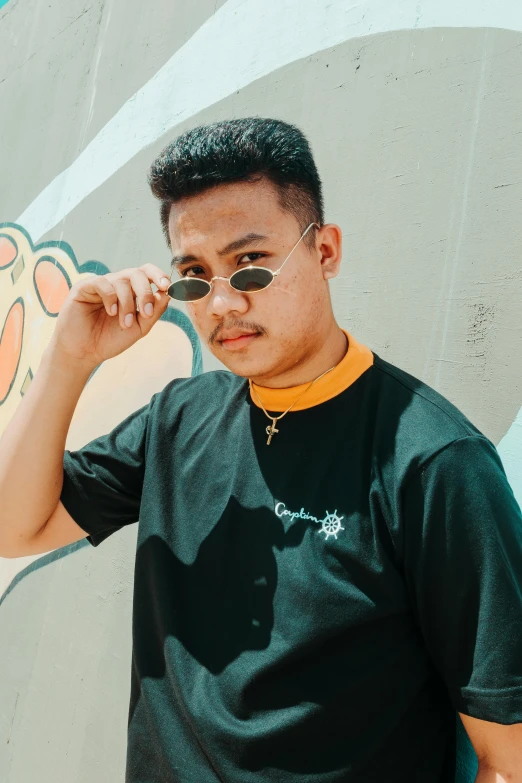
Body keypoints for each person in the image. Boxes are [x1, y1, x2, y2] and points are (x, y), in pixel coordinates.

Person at [0, 118, 521, 783]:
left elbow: (508, 757)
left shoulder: (433, 462)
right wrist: (69, 360)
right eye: (194, 274)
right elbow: (14, 526)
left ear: (325, 251)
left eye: (250, 263)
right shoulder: (177, 420)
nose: (222, 302)